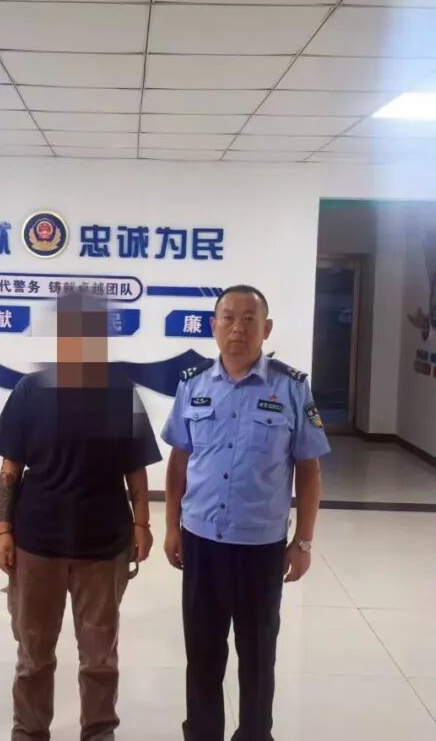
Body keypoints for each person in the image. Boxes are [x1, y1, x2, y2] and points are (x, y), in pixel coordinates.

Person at [0, 291, 160, 741]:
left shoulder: (121, 392)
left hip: (103, 545)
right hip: (36, 543)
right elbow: (10, 467)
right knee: (33, 656)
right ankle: (29, 731)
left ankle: (99, 731)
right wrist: (3, 530)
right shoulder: (30, 391)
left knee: (100, 657)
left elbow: (135, 467)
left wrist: (142, 523)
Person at [161, 284, 329, 741]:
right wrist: (172, 527)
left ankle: (255, 734)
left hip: (260, 546)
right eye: (228, 318)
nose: (237, 328)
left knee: (257, 656)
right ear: (213, 326)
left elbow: (309, 470)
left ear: (266, 328)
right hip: (201, 542)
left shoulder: (291, 387)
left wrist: (304, 541)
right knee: (202, 654)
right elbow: (179, 462)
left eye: (249, 319)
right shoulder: (192, 384)